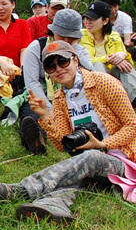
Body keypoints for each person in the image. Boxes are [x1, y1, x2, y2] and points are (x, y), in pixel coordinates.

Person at [0, 41, 136, 223]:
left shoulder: (104, 83)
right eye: (50, 66)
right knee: (76, 173)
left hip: (124, 162)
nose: (58, 68)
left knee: (91, 157)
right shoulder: (61, 98)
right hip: (88, 163)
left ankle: (23, 189)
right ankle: (52, 206)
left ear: (76, 61)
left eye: (63, 61)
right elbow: (62, 144)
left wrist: (102, 144)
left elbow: (133, 126)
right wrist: (45, 115)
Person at [20, 9, 93, 154]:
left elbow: (90, 74)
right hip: (44, 92)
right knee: (32, 111)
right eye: (62, 35)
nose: (65, 40)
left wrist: (74, 48)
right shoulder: (37, 47)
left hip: (73, 94)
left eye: (70, 37)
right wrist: (48, 108)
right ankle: (38, 139)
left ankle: (76, 136)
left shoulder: (80, 50)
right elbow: (32, 82)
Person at [80, 1, 136, 114]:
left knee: (124, 65)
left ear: (105, 21)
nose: (88, 22)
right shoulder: (80, 36)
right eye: (86, 18)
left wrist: (124, 55)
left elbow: (129, 63)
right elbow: (84, 61)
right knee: (98, 64)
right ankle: (104, 102)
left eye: (92, 19)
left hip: (113, 79)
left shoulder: (114, 36)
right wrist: (108, 59)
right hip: (89, 80)